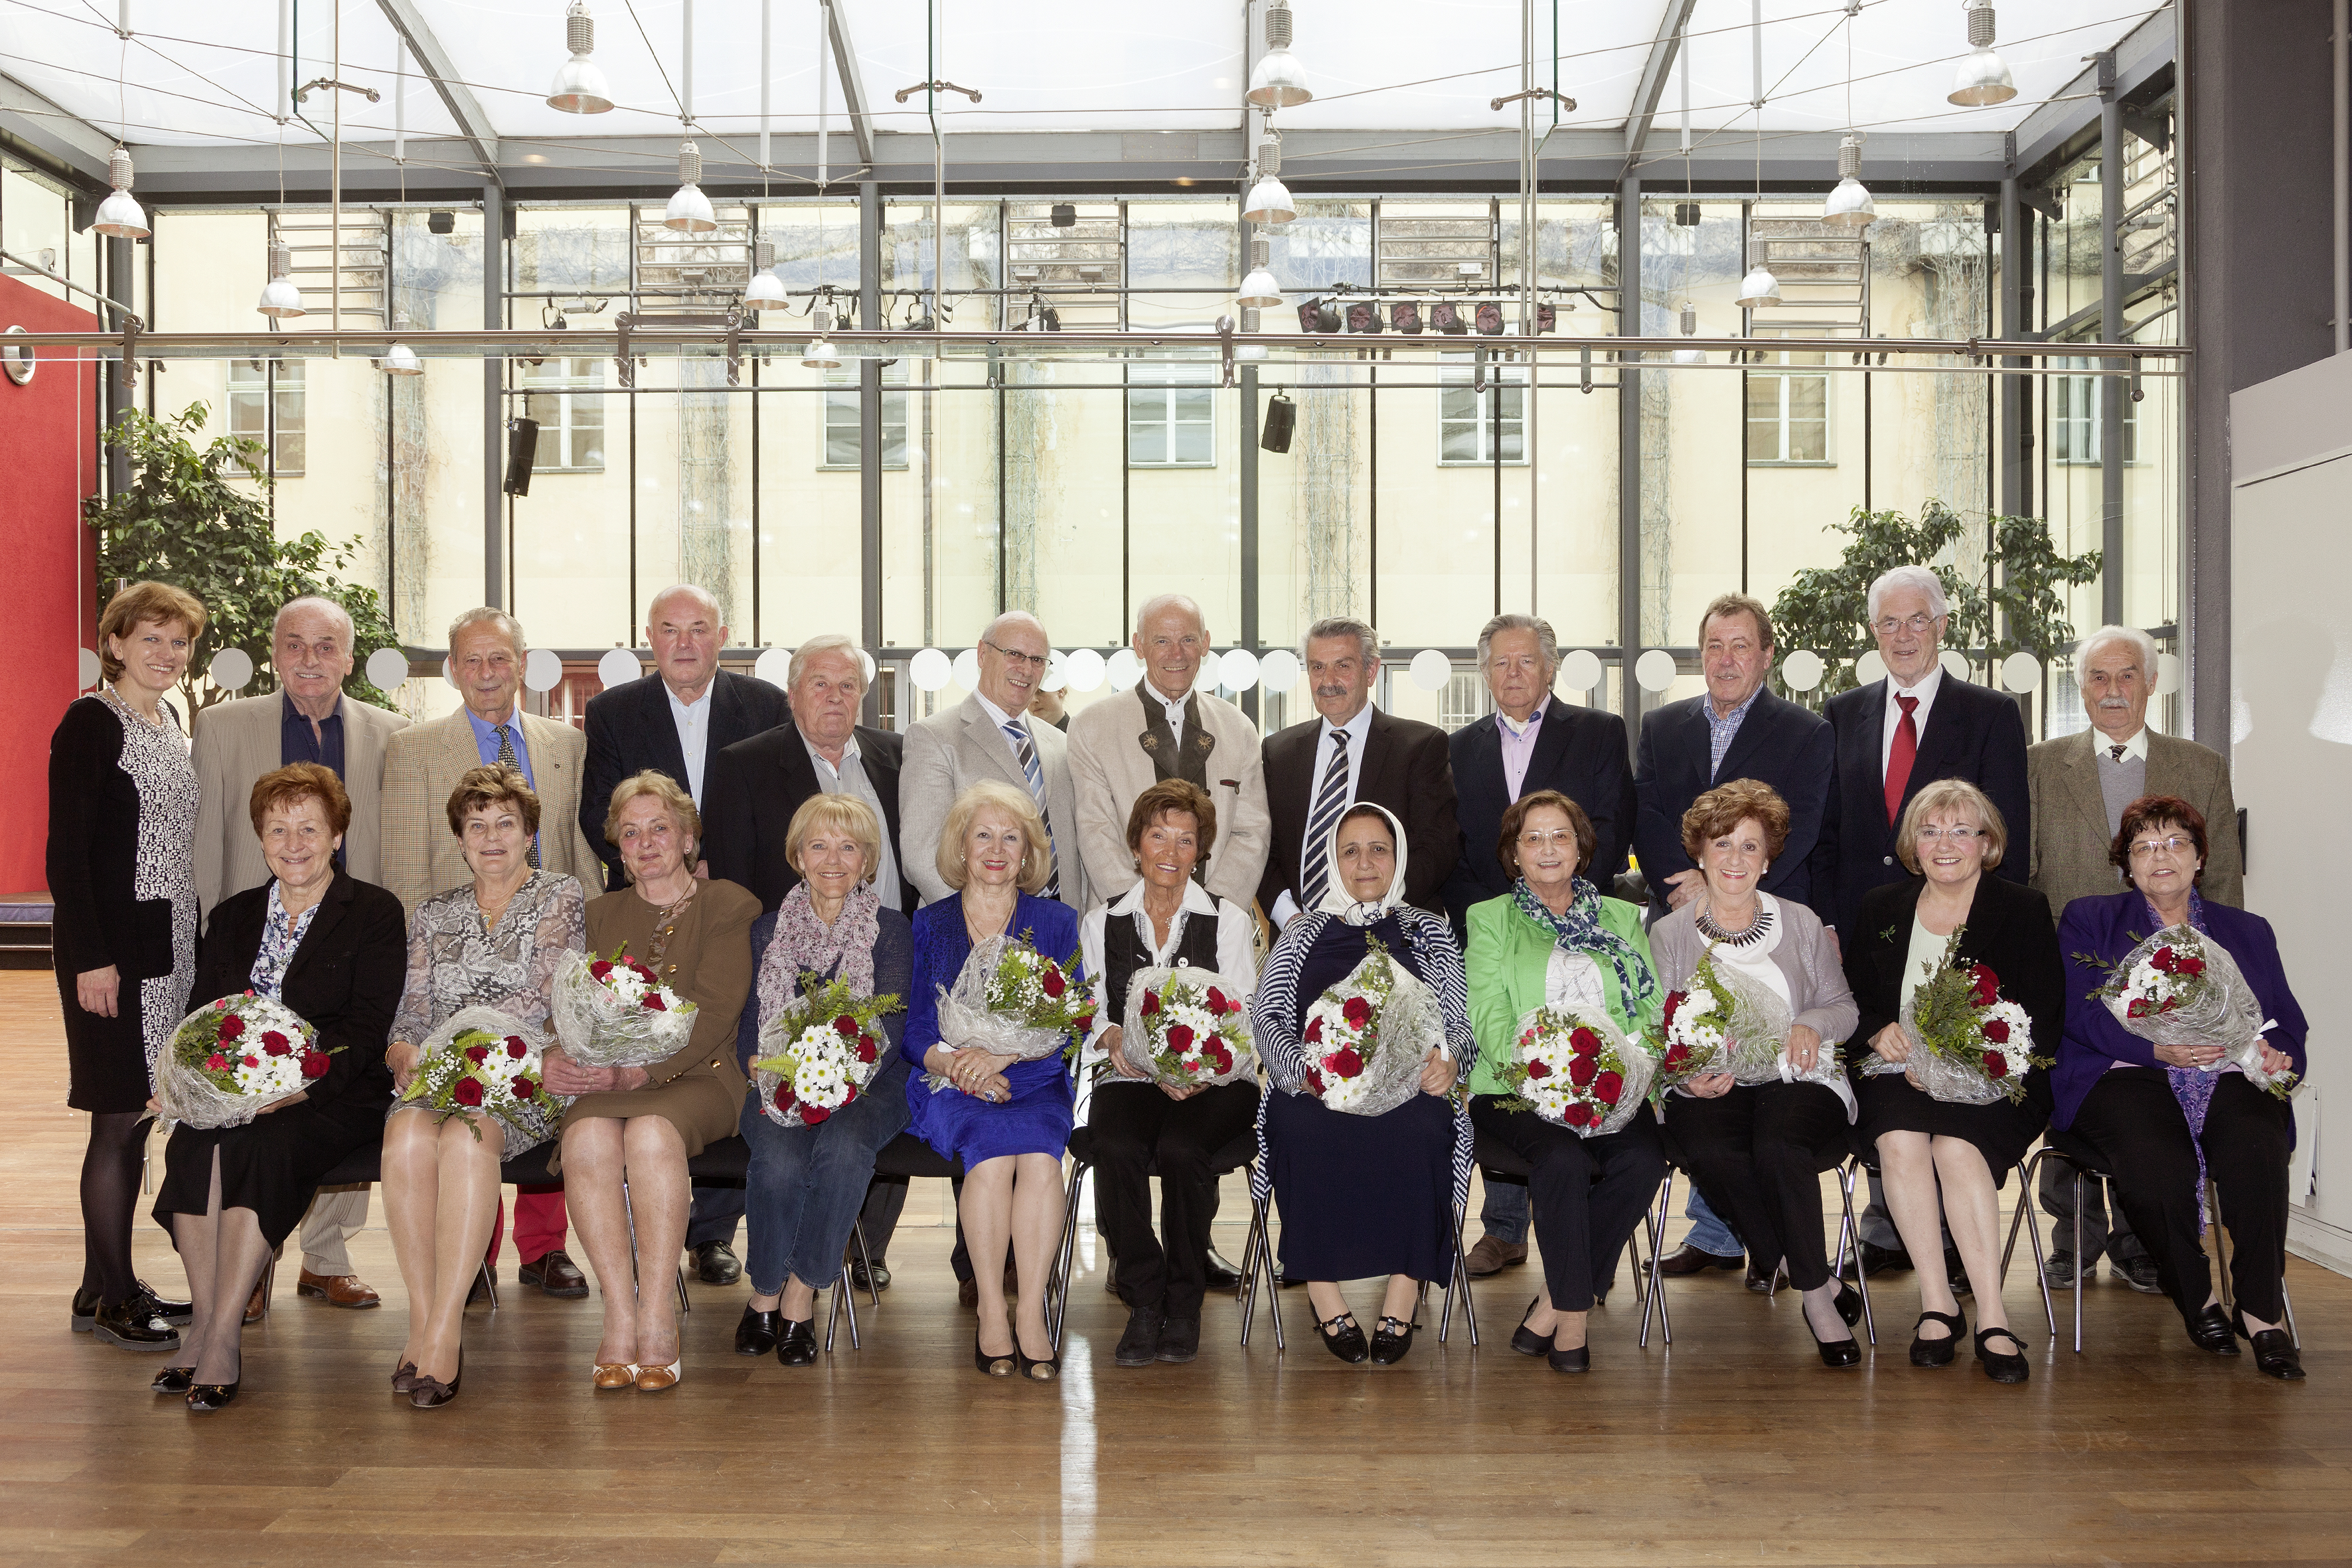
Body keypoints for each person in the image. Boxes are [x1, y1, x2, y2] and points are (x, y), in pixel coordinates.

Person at [149, 764, 405, 1411]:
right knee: (189, 1143)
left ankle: (224, 1336)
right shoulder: (234, 915)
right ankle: (210, 1323)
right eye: (278, 828)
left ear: (338, 834)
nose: (294, 843)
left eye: (310, 827)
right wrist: (192, 1086)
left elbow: (365, 1027)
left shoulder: (374, 912)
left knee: (258, 1145)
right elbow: (203, 1018)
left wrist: (302, 1085)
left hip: (334, 1093)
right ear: (261, 838)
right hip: (237, 1092)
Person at [191, 595, 409, 1318]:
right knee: (253, 1113)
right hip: (257, 939)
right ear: (274, 653)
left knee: (332, 1087)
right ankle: (251, 1265)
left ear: (350, 657)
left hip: (345, 941)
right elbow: (212, 844)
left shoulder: (391, 734)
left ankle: (326, 1257)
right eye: (294, 645)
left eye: (326, 646)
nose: (309, 660)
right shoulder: (223, 727)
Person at [382, 607, 600, 1299]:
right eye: (470, 661)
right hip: (451, 949)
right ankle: (469, 1250)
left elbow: (581, 857)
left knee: (532, 1074)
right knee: (460, 1109)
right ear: (451, 669)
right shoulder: (412, 749)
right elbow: (403, 867)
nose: (485, 674)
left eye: (499, 659)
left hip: (544, 948)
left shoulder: (566, 743)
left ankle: (542, 1248)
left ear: (522, 664)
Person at [1820, 567, 2031, 1274]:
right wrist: (1828, 922)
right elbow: (1832, 831)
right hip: (1870, 926)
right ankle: (1888, 1227)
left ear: (1943, 627)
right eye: (1889, 622)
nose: (1903, 635)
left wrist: (1991, 934)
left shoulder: (1991, 713)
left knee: (1947, 1070)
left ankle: (1949, 1235)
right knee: (1887, 1063)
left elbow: (2009, 838)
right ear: (1873, 631)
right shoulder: (1842, 711)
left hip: (1959, 923)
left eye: (1917, 621)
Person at [2054, 796, 2308, 1379]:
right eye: (2143, 847)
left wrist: (2277, 1052)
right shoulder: (2089, 919)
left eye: (2174, 843)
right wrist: (2154, 1050)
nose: (2159, 856)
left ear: (2198, 858)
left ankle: (2262, 1313)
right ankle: (2195, 1296)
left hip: (2226, 1069)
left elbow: (2286, 1017)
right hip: (2124, 1071)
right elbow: (2076, 1014)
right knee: (2155, 1166)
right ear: (2127, 865)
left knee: (2255, 1149)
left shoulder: (2246, 930)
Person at [581, 585, 787, 1288]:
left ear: (721, 636)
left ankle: (710, 1236)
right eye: (670, 629)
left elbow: (774, 805)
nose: (685, 642)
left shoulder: (763, 705)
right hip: (645, 897)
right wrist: (652, 857)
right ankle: (641, 1255)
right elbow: (596, 813)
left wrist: (708, 874)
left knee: (718, 1040)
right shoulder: (613, 711)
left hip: (730, 902)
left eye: (699, 629)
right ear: (650, 637)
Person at [2027, 625, 2244, 1292]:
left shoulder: (2200, 765)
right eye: (2098, 677)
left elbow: (2225, 881)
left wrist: (2213, 977)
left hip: (2171, 969)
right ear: (2080, 687)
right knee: (2081, 1087)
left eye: (2127, 676)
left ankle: (2140, 1237)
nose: (2113, 690)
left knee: (2153, 1103)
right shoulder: (2038, 763)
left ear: (2153, 683)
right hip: (2073, 965)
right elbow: (2025, 873)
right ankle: (2074, 1234)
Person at [1632, 593, 1833, 1284]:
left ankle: (1752, 1239)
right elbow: (1649, 810)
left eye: (1740, 646)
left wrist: (1735, 886)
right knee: (1702, 1064)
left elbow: (1802, 823)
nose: (1725, 659)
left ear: (1767, 655)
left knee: (1755, 1078)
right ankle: (1725, 1240)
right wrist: (1692, 882)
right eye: (1714, 646)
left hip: (1769, 924)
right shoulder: (1662, 725)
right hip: (1688, 911)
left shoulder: (1806, 731)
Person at [706, 634, 914, 1289]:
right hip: (783, 1003)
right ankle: (775, 1290)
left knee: (851, 1144)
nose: (834, 696)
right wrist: (768, 1059)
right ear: (792, 692)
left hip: (871, 992)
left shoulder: (895, 756)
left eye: (847, 684)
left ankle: (856, 1251)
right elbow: (735, 887)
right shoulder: (744, 763)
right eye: (819, 683)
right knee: (780, 1156)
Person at [542, 772, 757, 1393]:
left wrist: (639, 1071)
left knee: (650, 1137)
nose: (645, 843)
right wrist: (564, 1056)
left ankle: (658, 1311)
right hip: (609, 1073)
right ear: (617, 846)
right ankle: (618, 1310)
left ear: (688, 837)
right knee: (585, 1141)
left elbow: (717, 1009)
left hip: (702, 1073)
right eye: (630, 833)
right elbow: (571, 1004)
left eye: (659, 828)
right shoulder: (598, 913)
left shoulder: (728, 903)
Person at [380, 765, 588, 1409]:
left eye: (506, 823)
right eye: (477, 825)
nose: (491, 837)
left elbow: (546, 998)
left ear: (529, 833)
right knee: (408, 1136)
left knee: (467, 1140)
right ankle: (425, 1320)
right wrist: (403, 1051)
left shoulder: (560, 894)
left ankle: (443, 1336)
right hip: (440, 1070)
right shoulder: (433, 912)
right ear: (460, 837)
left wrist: (472, 1050)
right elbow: (411, 1010)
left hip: (521, 1069)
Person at [1842, 779, 2060, 1385]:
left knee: (1956, 1147)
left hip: (1991, 1079)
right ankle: (1936, 1304)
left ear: (1986, 843)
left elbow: (2044, 1013)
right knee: (1901, 1142)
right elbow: (1849, 998)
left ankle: (1990, 1311)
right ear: (1913, 842)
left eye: (1962, 830)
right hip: (1895, 1071)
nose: (1945, 844)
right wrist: (1874, 1030)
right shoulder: (1881, 907)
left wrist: (1978, 1063)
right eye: (1931, 830)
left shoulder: (2022, 908)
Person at [1446, 613, 1636, 1281]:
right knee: (1510, 1057)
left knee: (1582, 1055)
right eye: (1500, 663)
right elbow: (1460, 849)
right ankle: (1504, 1231)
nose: (1514, 674)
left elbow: (1610, 826)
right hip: (1496, 929)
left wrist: (1557, 896)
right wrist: (1499, 916)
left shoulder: (1598, 732)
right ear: (1485, 673)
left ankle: (1574, 1226)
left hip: (1578, 919)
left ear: (1551, 667)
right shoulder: (1460, 746)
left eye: (1527, 661)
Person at [1251, 802, 1474, 1366]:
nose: (1365, 861)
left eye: (1379, 848)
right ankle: (1323, 1290)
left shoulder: (1427, 929)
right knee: (1296, 1126)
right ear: (1333, 860)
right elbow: (1268, 1013)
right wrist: (1302, 1070)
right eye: (1350, 850)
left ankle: (1404, 1289)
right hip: (1317, 1085)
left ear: (1397, 858)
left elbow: (1456, 1015)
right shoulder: (1303, 931)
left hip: (1409, 1086)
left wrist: (1447, 1062)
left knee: (1427, 1127)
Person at [1650, 780, 1864, 1366]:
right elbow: (1658, 1026)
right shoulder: (1669, 934)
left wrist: (1811, 1024)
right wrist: (1685, 1074)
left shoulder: (1798, 921)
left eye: (1750, 846)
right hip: (1712, 1082)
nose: (1735, 859)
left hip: (1795, 1075)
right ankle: (1813, 1277)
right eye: (1723, 844)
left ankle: (1815, 1303)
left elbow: (1844, 1006)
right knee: (1712, 1152)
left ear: (1768, 859)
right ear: (1699, 854)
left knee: (1777, 1146)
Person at [49, 581, 207, 1352]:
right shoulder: (91, 721)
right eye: (150, 639)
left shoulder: (172, 721)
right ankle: (115, 1297)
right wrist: (92, 959)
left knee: (140, 1113)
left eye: (178, 641)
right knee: (116, 1122)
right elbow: (67, 855)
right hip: (112, 953)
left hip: (166, 946)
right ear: (114, 643)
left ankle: (98, 1281)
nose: (166, 654)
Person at [1464, 790, 1664, 1372]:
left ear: (1581, 849)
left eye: (1560, 836)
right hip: (1513, 1088)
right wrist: (1545, 1077)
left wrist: (1621, 1074)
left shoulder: (1624, 918)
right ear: (1514, 853)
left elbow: (1647, 1014)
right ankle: (1573, 1325)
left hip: (1613, 1090)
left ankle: (1551, 1303)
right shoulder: (1490, 918)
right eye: (1533, 838)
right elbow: (1489, 1015)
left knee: (1643, 1160)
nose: (1547, 849)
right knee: (1563, 1162)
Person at [902, 780, 1085, 1381]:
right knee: (990, 1159)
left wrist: (1000, 1058)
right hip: (949, 1081)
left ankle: (1029, 1310)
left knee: (1038, 1160)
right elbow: (914, 1032)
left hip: (1033, 1076)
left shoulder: (1056, 921)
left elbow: (1071, 1018)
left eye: (1011, 836)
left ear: (1029, 853)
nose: (997, 848)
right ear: (961, 847)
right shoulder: (930, 924)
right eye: (983, 834)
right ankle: (989, 1308)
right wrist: (960, 1064)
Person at [1079, 779, 1261, 1369]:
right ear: (1136, 844)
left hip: (1215, 1082)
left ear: (1199, 852)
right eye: (1158, 834)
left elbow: (1242, 1016)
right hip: (1129, 1075)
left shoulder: (1228, 921)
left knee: (1184, 1150)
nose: (1170, 850)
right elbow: (1092, 1011)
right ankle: (1143, 1294)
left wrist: (1202, 1071)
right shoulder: (1100, 921)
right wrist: (1109, 1038)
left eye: (1186, 840)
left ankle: (1184, 1304)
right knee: (1113, 1142)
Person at [732, 793, 913, 1365]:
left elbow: (887, 1024)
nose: (832, 859)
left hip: (872, 1082)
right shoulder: (767, 930)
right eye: (819, 845)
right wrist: (763, 1068)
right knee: (780, 1160)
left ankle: (799, 1292)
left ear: (866, 860)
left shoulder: (891, 929)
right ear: (798, 856)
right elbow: (753, 1021)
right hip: (779, 1080)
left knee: (840, 1150)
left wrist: (834, 1080)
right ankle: (763, 1286)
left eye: (848, 846)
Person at [1069, 593, 1273, 912]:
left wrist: (1214, 910)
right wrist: (1140, 913)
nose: (1176, 654)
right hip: (1122, 919)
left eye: (1188, 639)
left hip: (1217, 921)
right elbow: (1096, 831)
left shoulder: (1239, 728)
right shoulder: (1092, 727)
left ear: (1205, 644)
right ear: (1139, 646)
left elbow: (1251, 833)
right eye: (1162, 640)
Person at [1258, 617, 1458, 928]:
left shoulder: (1420, 747)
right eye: (1317, 667)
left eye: (1343, 666)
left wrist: (1373, 915)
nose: (1328, 680)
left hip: (1392, 935)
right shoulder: (1278, 752)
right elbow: (1262, 846)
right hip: (1297, 939)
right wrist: (1292, 919)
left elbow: (1437, 848)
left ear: (1371, 670)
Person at [902, 611, 1089, 917]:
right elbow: (921, 855)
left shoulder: (1061, 743)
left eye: (1038, 660)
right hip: (973, 931)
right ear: (982, 654)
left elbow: (1077, 848)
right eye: (1014, 654)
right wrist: (983, 926)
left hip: (1060, 926)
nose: (1026, 669)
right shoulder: (933, 737)